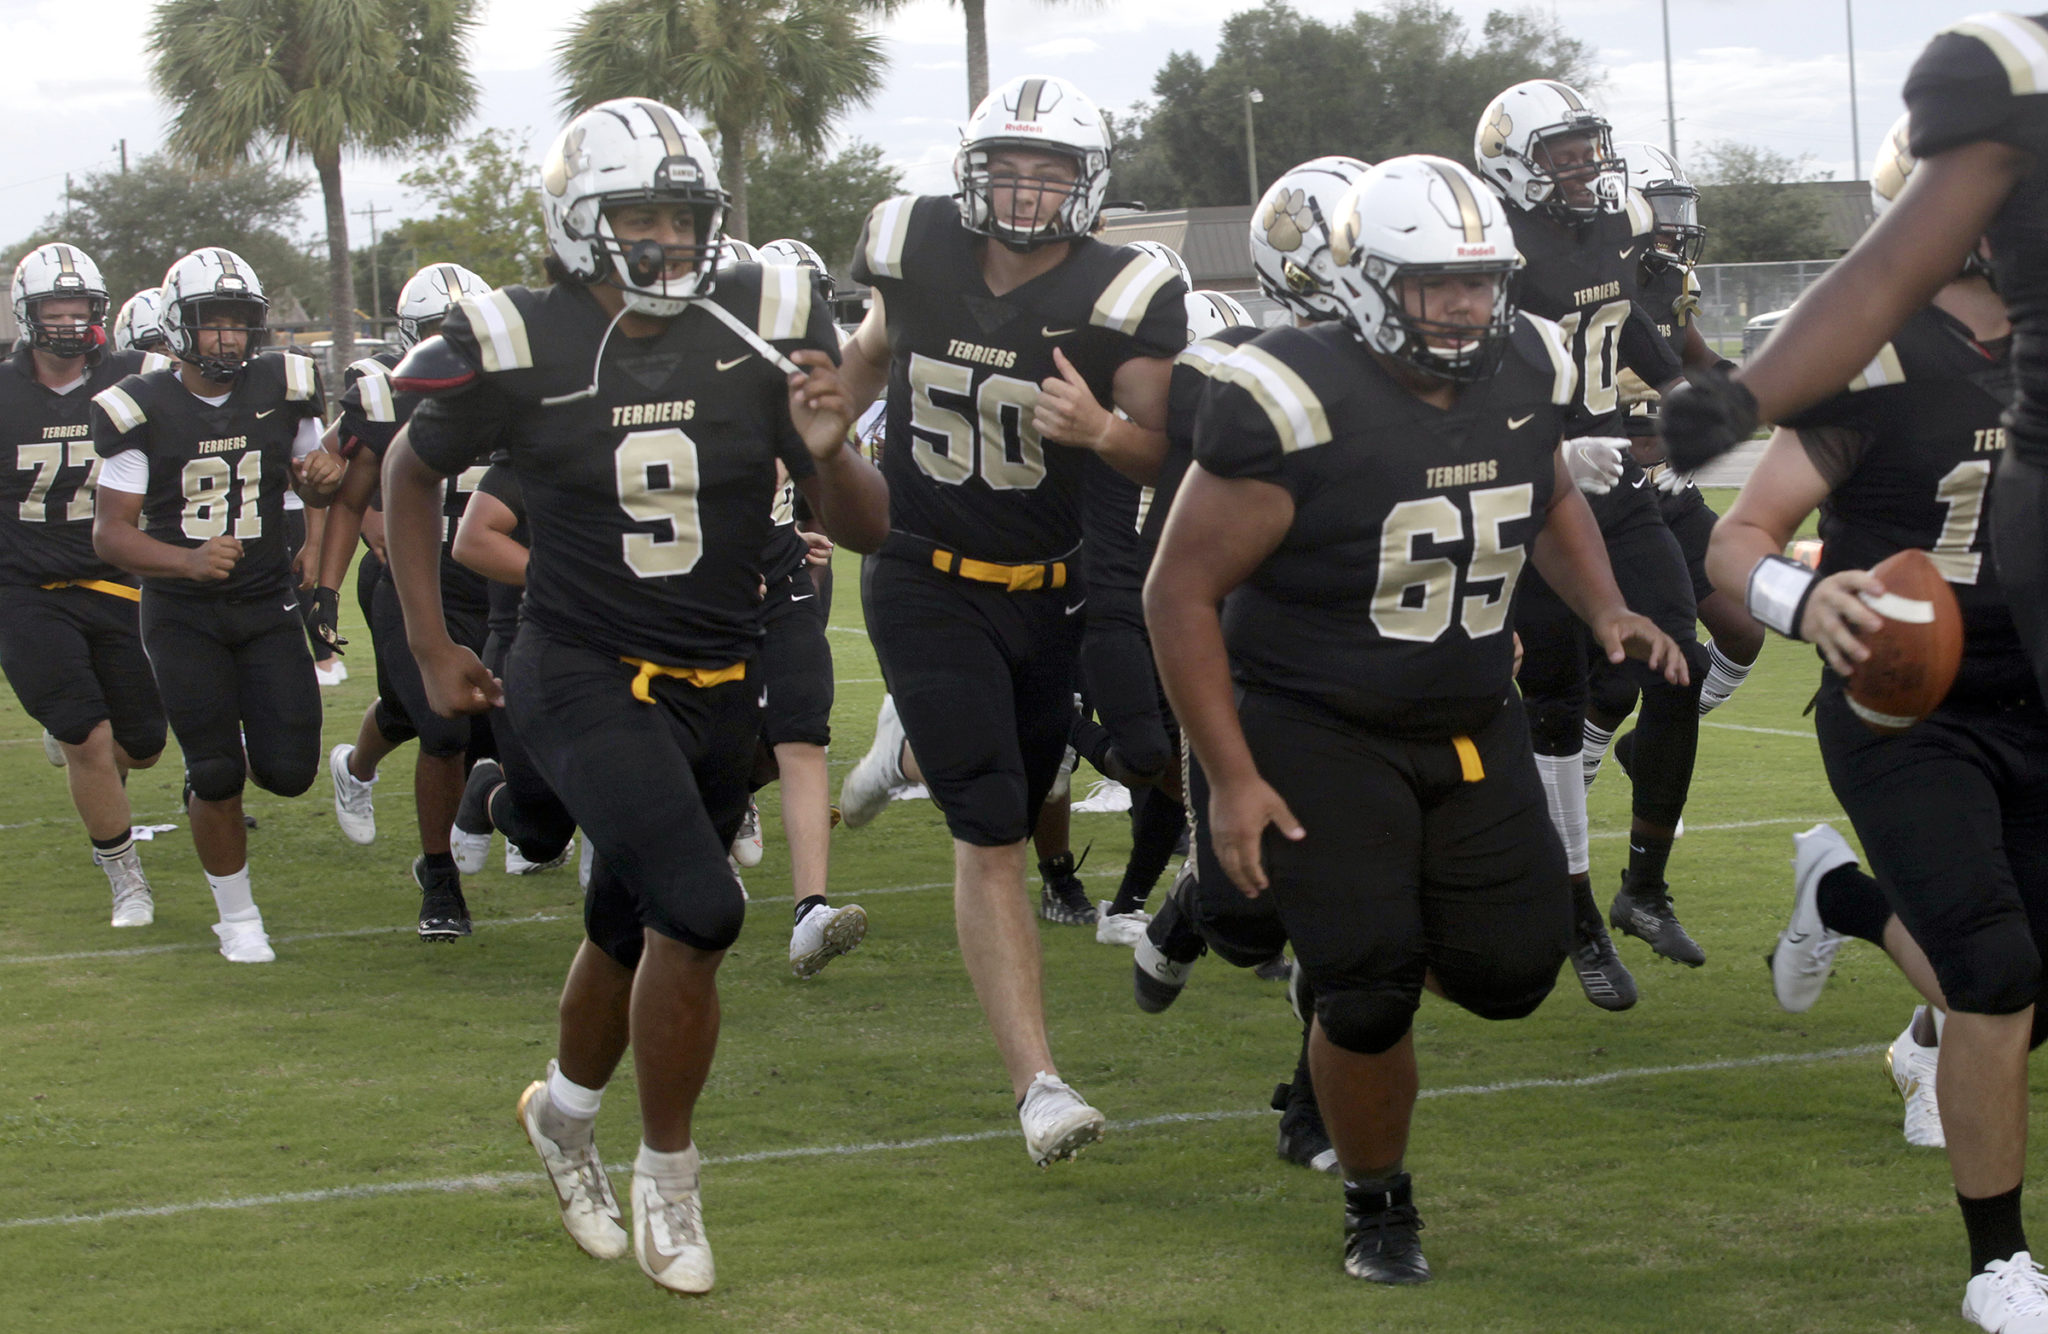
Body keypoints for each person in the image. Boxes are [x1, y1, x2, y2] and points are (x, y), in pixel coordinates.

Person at [1146, 154, 1686, 1284]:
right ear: (1361, 280)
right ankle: (1376, 1200)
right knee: (1370, 979)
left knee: (1510, 972)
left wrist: (1603, 607)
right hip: (1315, 719)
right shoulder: (1287, 390)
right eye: (1433, 285)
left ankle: (1309, 922)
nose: (1462, 308)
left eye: (1480, 283)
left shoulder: (1524, 360)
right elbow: (1176, 593)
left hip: (1468, 713)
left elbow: (1543, 491)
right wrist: (1232, 774)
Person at [381, 98, 887, 1295]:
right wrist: (424, 644)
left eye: (680, 214)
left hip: (723, 668)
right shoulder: (514, 334)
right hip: (578, 663)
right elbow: (409, 467)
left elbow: (865, 527)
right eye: (636, 215)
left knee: (629, 921)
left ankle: (562, 1112)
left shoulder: (762, 315)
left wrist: (828, 445)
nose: (662, 239)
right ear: (574, 219)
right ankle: (669, 1173)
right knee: (704, 913)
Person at [1705, 110, 2048, 1332]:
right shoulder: (1873, 356)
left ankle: (1841, 899)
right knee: (1994, 971)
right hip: (1906, 703)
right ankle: (1997, 1260)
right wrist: (1810, 598)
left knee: (2022, 992)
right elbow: (1733, 538)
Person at [831, 73, 1187, 1165]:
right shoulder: (913, 243)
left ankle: (904, 749)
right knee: (989, 828)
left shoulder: (1127, 289)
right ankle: (1038, 1083)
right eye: (1008, 169)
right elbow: (871, 352)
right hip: (924, 573)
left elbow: (1167, 449)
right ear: (969, 172)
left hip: (1054, 593)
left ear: (1086, 186)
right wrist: (807, 440)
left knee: (1022, 793)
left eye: (1051, 173)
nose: (1026, 192)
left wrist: (1096, 428)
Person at [1473, 79, 1701, 1002]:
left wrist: (1684, 386)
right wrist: (1557, 443)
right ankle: (1576, 919)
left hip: (1622, 490)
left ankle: (1643, 884)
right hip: (1541, 494)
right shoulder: (1494, 251)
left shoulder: (1606, 229)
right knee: (1556, 709)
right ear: (1514, 165)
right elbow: (1474, 386)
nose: (1584, 168)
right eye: (1562, 156)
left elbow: (1625, 325)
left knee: (1680, 659)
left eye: (1587, 149)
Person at [89, 246, 339, 963]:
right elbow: (110, 534)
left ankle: (223, 767)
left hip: (265, 603)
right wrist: (185, 561)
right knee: (216, 771)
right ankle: (237, 917)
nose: (228, 337)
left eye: (239, 323)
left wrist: (322, 484)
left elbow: (310, 485)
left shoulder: (286, 383)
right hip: (181, 612)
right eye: (212, 322)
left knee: (289, 771)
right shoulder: (140, 407)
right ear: (177, 326)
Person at [311, 261, 504, 940]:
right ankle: (440, 880)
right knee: (444, 728)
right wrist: (372, 541)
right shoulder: (386, 394)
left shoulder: (521, 387)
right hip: (414, 579)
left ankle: (356, 766)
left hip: (493, 582)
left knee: (446, 718)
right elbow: (340, 481)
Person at [1579, 142, 1765, 788]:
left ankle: (1643, 746)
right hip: (1607, 489)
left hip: (1671, 489)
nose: (1676, 225)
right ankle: (1586, 758)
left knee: (1743, 631)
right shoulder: (1588, 282)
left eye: (1680, 209)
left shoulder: (1671, 285)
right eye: (1663, 208)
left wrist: (1765, 383)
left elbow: (1696, 361)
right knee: (1629, 672)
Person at [0, 243, 166, 926]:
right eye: (54, 310)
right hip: (25, 589)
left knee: (145, 746)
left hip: (116, 581)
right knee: (88, 739)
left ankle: (73, 742)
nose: (69, 323)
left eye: (80, 309)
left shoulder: (135, 377)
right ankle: (126, 876)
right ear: (25, 315)